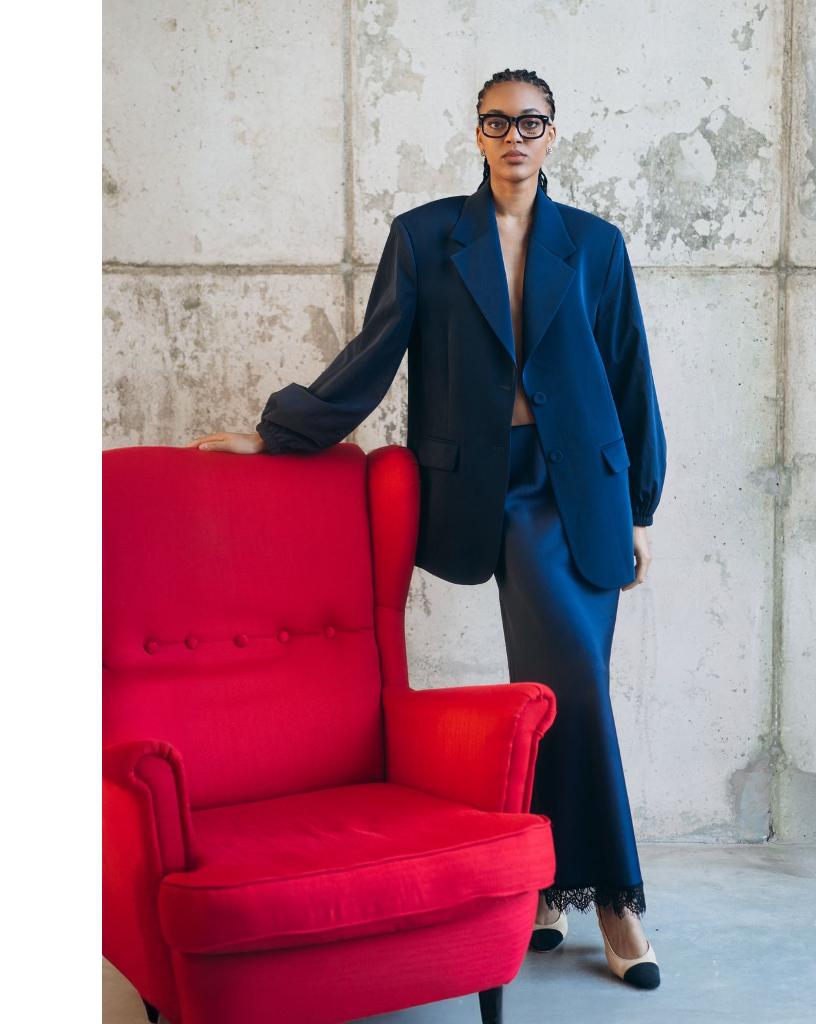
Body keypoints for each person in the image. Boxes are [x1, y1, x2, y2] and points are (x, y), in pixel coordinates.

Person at [187, 67, 666, 991]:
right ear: (477, 133)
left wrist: (642, 504)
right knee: (560, 689)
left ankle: (573, 892)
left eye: (532, 122)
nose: (515, 137)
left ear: (554, 134)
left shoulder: (596, 245)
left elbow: (629, 374)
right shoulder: (426, 237)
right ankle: (597, 892)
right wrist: (280, 433)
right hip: (494, 490)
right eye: (499, 121)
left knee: (565, 690)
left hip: (586, 491)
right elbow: (374, 354)